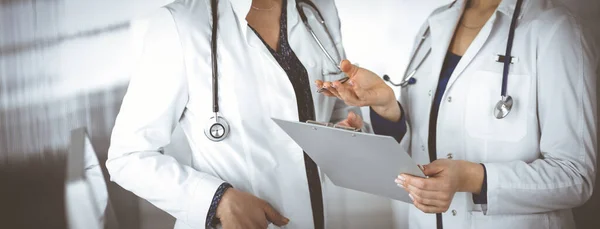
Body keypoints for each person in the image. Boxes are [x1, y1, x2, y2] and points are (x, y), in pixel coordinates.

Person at [318, 0, 597, 228]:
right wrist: (386, 109)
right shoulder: (435, 23)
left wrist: (473, 178)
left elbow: (575, 176)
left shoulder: (555, 28)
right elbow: (424, 139)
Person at [106, 0, 364, 229]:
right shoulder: (181, 24)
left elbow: (333, 107)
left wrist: (342, 132)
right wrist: (217, 201)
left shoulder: (319, 9)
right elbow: (127, 157)